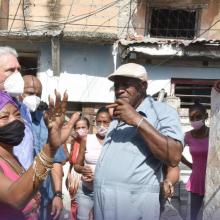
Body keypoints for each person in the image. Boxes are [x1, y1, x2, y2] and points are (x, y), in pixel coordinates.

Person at [93, 63, 184, 220]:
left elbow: (174, 155)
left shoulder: (163, 112)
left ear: (143, 86)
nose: (119, 90)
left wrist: (137, 120)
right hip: (103, 202)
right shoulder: (117, 117)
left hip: (134, 205)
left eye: (126, 84)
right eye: (116, 85)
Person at [0, 90, 80, 219]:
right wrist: (50, 149)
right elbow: (14, 198)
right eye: (4, 117)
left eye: (17, 115)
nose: (15, 121)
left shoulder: (12, 157)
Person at [21, 75, 66, 220]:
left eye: (38, 94)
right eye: (30, 93)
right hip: (19, 198)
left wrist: (58, 194)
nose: (34, 97)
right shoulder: (10, 118)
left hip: (45, 198)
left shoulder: (47, 120)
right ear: (19, 92)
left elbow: (56, 160)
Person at [0, 46, 34, 170]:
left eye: (18, 69)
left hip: (23, 178)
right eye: (10, 70)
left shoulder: (23, 108)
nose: (17, 75)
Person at [74, 107, 111, 220]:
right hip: (86, 191)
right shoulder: (87, 139)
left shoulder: (114, 141)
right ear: (95, 122)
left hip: (107, 194)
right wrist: (82, 169)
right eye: (99, 121)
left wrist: (98, 178)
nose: (102, 125)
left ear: (112, 123)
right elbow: (77, 165)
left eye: (106, 122)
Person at [181, 102, 209, 220]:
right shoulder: (187, 136)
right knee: (194, 215)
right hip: (196, 180)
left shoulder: (214, 134)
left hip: (213, 180)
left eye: (198, 117)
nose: (195, 120)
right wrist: (191, 165)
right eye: (192, 118)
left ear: (206, 116)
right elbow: (176, 152)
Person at [67, 116, 90, 220]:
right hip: (73, 180)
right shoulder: (74, 142)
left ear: (88, 128)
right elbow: (72, 161)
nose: (80, 130)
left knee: (85, 209)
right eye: (78, 127)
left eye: (83, 127)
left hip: (85, 179)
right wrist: (69, 175)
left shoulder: (91, 143)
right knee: (74, 206)